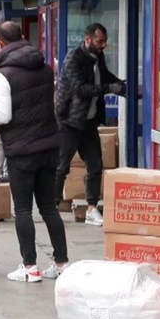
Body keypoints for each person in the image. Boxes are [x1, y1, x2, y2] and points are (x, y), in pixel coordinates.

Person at [0, 21, 68, 282]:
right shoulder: (45, 68)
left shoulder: (4, 74)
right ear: (22, 37)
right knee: (48, 208)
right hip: (49, 146)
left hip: (22, 151)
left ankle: (30, 267)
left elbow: (3, 115)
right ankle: (62, 264)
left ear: (0, 44)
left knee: (23, 209)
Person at [53, 22, 126, 227]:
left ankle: (92, 209)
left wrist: (122, 86)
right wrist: (110, 88)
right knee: (61, 166)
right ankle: (51, 206)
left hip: (89, 121)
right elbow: (81, 89)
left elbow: (104, 76)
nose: (104, 45)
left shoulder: (98, 57)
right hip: (70, 121)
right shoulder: (73, 58)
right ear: (87, 40)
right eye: (100, 41)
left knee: (95, 165)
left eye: (105, 41)